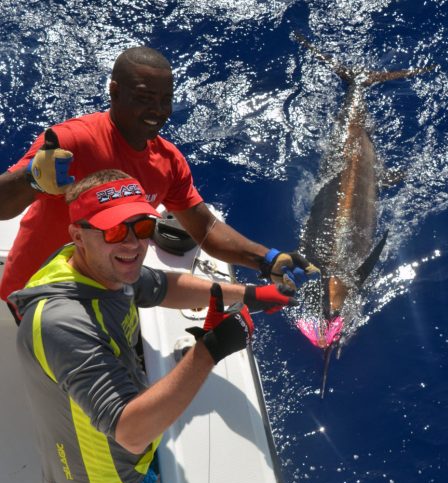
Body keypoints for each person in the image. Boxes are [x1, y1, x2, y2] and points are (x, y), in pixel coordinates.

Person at [9, 169, 297, 483]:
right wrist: (209, 350)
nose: (132, 244)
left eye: (143, 227)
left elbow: (162, 286)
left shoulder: (100, 265)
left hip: (126, 435)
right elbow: (130, 433)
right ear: (78, 235)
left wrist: (250, 295)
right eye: (114, 231)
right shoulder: (63, 322)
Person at [0, 46, 318, 320]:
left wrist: (267, 259)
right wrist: (32, 179)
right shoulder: (72, 140)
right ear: (114, 92)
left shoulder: (169, 162)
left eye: (166, 100)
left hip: (109, 297)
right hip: (39, 297)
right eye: (144, 98)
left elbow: (205, 228)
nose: (158, 111)